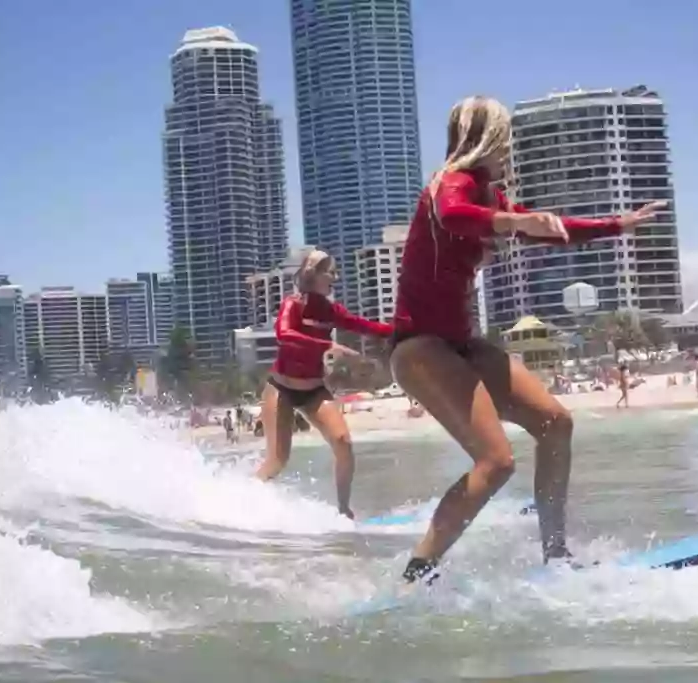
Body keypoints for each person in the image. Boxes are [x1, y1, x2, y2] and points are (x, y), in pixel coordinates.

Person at [388, 95, 666, 584]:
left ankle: (556, 555)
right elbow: (453, 214)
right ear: (490, 137)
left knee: (556, 422)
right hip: (420, 347)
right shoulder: (449, 184)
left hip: (462, 343)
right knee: (496, 462)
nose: (510, 147)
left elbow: (550, 230)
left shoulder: (490, 196)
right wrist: (515, 222)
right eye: (506, 136)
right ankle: (418, 573)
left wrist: (616, 225)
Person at [255, 249, 393, 519]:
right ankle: (246, 500)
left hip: (314, 390)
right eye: (330, 272)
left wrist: (404, 330)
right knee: (277, 461)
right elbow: (284, 335)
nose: (335, 277)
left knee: (343, 441)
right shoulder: (293, 304)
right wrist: (329, 345)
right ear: (313, 274)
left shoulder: (330, 310)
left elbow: (365, 326)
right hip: (281, 389)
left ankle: (343, 510)